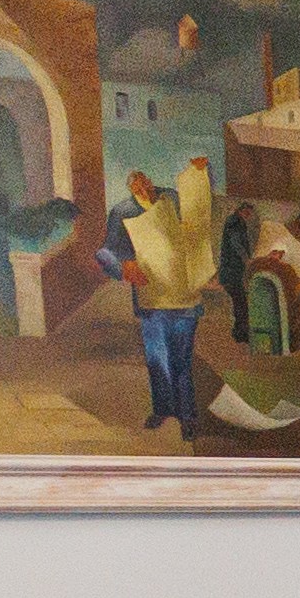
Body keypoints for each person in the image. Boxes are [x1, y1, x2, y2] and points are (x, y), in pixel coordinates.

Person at [95, 160, 215, 439]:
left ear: (150, 182)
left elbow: (198, 216)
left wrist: (198, 175)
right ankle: (163, 409)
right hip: (151, 301)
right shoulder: (122, 212)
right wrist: (122, 268)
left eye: (146, 184)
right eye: (138, 188)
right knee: (157, 360)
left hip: (184, 298)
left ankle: (187, 416)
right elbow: (105, 252)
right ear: (132, 190)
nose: (144, 190)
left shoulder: (171, 198)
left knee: (182, 361)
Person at [218, 201, 257, 344]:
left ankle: (239, 333)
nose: (249, 215)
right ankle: (241, 334)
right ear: (241, 210)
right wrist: (247, 261)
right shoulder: (235, 221)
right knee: (241, 303)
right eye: (247, 212)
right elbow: (236, 244)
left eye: (250, 213)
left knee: (240, 303)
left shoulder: (237, 221)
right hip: (232, 272)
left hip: (233, 271)